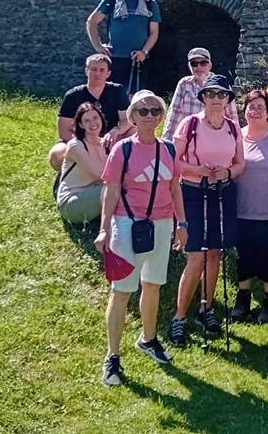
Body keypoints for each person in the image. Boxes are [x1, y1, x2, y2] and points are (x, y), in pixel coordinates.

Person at [94, 89, 184, 386]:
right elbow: (111, 189)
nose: (149, 116)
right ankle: (113, 356)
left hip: (160, 224)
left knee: (153, 284)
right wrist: (105, 228)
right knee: (122, 291)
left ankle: (148, 338)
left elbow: (175, 188)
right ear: (132, 116)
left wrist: (181, 223)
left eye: (155, 111)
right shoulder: (123, 149)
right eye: (143, 111)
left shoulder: (169, 149)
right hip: (128, 223)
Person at [168, 74, 245, 347]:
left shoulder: (233, 128)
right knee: (195, 257)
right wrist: (197, 170)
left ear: (227, 100)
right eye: (211, 94)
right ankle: (178, 318)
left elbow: (240, 165)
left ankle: (206, 308)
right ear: (203, 98)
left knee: (215, 254)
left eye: (221, 95)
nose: (216, 99)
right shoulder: (189, 125)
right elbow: (174, 161)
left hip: (221, 192)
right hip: (192, 192)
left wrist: (227, 171)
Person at [232, 89, 268, 324]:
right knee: (244, 255)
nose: (254, 111)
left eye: (260, 107)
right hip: (241, 208)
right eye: (250, 107)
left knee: (267, 255)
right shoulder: (237, 135)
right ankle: (243, 297)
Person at [48, 54, 132, 172]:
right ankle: (69, 177)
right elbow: (64, 132)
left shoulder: (117, 90)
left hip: (110, 139)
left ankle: (125, 174)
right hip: (81, 140)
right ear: (86, 71)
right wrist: (86, 143)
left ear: (108, 73)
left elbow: (128, 120)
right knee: (56, 155)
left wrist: (116, 130)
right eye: (93, 69)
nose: (97, 73)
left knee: (133, 133)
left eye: (102, 70)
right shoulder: (72, 95)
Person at [86, 0, 161, 91]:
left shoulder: (150, 4)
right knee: (111, 96)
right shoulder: (112, 0)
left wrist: (144, 52)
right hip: (114, 58)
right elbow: (92, 22)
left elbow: (154, 32)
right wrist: (98, 46)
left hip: (138, 59)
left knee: (136, 99)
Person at [163, 47, 238, 139]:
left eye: (203, 63)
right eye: (194, 64)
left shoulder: (222, 85)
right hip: (188, 138)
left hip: (215, 138)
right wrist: (167, 143)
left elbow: (232, 116)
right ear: (189, 67)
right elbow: (174, 114)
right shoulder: (184, 84)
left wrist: (236, 142)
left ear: (210, 65)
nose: (199, 67)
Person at [57, 102, 108, 224]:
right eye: (87, 121)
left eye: (95, 118)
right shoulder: (76, 145)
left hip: (95, 192)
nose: (93, 123)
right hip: (71, 202)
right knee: (115, 188)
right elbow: (101, 174)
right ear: (80, 125)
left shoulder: (105, 143)